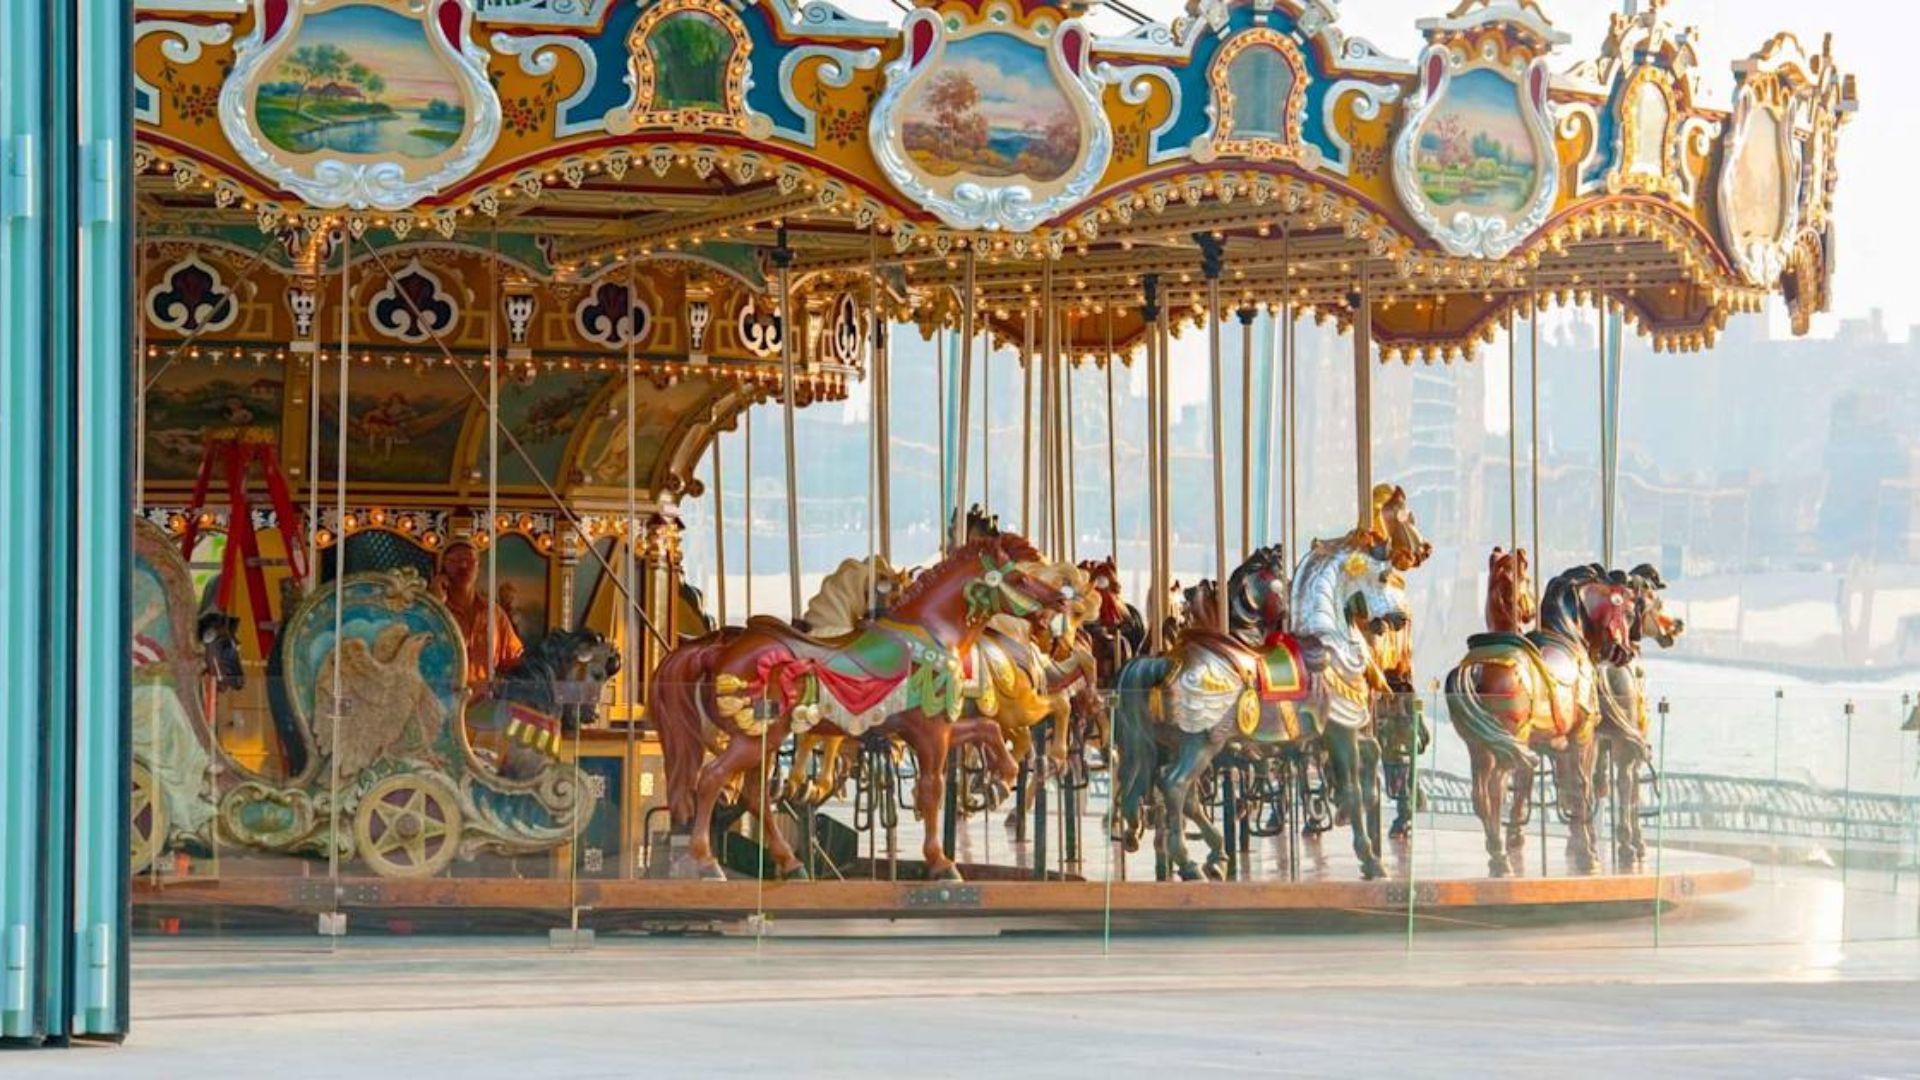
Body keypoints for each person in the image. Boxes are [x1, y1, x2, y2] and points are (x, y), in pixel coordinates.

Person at [432, 540, 523, 693]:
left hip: (484, 704)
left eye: (469, 560)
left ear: (478, 567)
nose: (463, 566)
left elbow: (513, 660)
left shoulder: (494, 613)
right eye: (454, 561)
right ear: (442, 569)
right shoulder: (435, 611)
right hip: (443, 700)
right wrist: (435, 603)